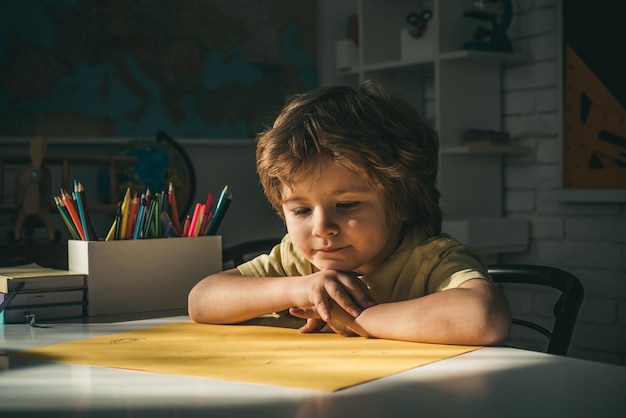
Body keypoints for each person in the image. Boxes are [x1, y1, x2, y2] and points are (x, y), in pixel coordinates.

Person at [188, 80, 511, 346]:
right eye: (301, 209)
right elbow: (201, 300)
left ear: (401, 202)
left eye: (347, 205)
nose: (322, 227)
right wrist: (296, 288)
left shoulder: (430, 261)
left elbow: (483, 317)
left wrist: (360, 319)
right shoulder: (298, 263)